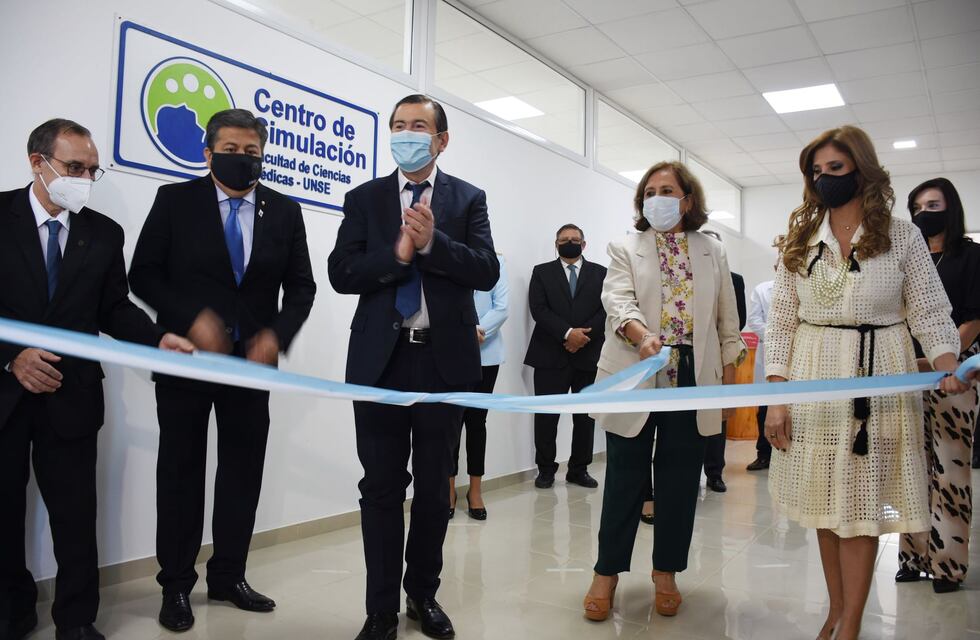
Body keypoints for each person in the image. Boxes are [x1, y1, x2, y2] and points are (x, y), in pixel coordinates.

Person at [764, 126, 976, 640]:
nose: (824, 179)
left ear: (862, 170)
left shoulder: (902, 237)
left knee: (859, 504)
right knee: (824, 503)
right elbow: (782, 323)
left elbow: (930, 311)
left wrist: (948, 365)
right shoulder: (800, 241)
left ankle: (851, 623)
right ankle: (835, 610)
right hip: (813, 378)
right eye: (817, 171)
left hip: (878, 379)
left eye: (835, 168)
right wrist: (777, 399)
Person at [0, 119, 194, 640]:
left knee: (75, 516)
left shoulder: (104, 233)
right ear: (37, 162)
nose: (85, 179)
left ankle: (77, 620)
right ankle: (12, 611)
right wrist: (13, 357)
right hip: (5, 394)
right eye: (74, 167)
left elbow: (112, 307)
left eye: (92, 169)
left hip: (73, 396)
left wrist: (158, 338)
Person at [129, 109, 316, 633]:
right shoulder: (174, 201)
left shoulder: (284, 210)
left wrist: (276, 334)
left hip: (251, 368)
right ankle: (175, 584)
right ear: (208, 153)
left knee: (242, 473)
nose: (242, 159)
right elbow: (143, 274)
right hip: (185, 360)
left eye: (252, 152)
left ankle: (229, 576)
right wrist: (192, 320)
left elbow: (302, 286)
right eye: (230, 150)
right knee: (181, 472)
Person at [328, 94, 498, 640]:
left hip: (443, 365)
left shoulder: (468, 199)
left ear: (441, 140)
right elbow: (341, 272)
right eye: (398, 125)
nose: (406, 134)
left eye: (418, 126)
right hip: (381, 362)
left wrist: (432, 245)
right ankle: (380, 609)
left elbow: (487, 270)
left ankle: (422, 595)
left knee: (432, 489)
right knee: (380, 487)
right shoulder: (364, 199)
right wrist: (398, 255)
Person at [582, 160, 744, 622]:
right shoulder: (625, 246)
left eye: (667, 190)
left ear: (687, 200)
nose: (657, 198)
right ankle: (606, 573)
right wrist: (641, 335)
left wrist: (728, 384)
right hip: (636, 368)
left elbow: (727, 321)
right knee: (624, 478)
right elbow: (617, 301)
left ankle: (666, 572)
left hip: (692, 376)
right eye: (649, 192)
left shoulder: (712, 249)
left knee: (679, 480)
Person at [896, 177, 980, 593]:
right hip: (907, 372)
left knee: (950, 468)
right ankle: (912, 557)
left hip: (956, 372)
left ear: (951, 208)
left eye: (932, 205)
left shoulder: (971, 256)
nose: (923, 214)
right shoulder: (908, 260)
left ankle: (948, 564)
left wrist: (942, 359)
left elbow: (974, 319)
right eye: (916, 207)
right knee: (911, 467)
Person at [524, 224, 607, 490]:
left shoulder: (601, 273)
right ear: (556, 244)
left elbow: (606, 310)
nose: (569, 242)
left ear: (584, 244)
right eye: (564, 239)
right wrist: (568, 334)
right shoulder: (541, 272)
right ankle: (545, 469)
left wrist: (582, 337)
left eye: (574, 239)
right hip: (549, 355)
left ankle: (579, 470)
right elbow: (538, 309)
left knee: (584, 418)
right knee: (546, 417)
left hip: (589, 354)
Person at [450, 253, 509, 521]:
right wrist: (463, 332)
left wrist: (475, 329)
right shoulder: (448, 256)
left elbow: (502, 307)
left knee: (476, 423)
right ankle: (448, 490)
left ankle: (475, 491)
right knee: (450, 424)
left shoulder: (496, 261)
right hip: (450, 354)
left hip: (486, 354)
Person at [700, 229, 746, 493]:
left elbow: (738, 320)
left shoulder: (734, 279)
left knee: (719, 416)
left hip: (719, 354)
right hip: (691, 353)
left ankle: (714, 472)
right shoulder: (686, 274)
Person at [745, 259, 778, 471]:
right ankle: (764, 454)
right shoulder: (762, 290)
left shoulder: (805, 290)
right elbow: (754, 320)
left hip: (800, 355)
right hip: (769, 354)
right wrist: (779, 338)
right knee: (765, 407)